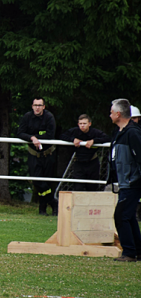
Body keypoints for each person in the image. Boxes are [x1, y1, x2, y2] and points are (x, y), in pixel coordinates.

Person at [108, 98, 141, 262]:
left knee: (121, 216)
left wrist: (134, 179)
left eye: (112, 112)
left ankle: (129, 252)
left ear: (119, 114)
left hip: (132, 183)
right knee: (128, 216)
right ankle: (137, 250)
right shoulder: (120, 133)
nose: (110, 115)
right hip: (125, 182)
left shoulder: (132, 133)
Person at [17, 98, 58, 216]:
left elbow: (50, 135)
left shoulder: (49, 117)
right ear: (32, 106)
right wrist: (32, 138)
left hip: (48, 153)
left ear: (44, 107)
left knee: (47, 182)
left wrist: (39, 139)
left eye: (40, 105)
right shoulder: (27, 117)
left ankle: (43, 209)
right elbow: (20, 133)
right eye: (35, 105)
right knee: (37, 181)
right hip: (33, 154)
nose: (37, 107)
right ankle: (53, 203)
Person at [60, 114, 110, 191]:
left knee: (92, 188)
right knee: (78, 187)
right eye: (80, 124)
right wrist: (73, 139)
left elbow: (107, 138)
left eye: (84, 123)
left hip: (92, 162)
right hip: (79, 162)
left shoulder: (94, 132)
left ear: (89, 124)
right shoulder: (74, 131)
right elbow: (62, 136)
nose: (82, 126)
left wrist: (94, 141)